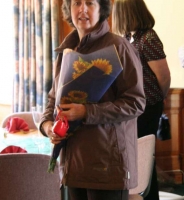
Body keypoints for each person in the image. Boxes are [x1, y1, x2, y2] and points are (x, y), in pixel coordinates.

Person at [39, 0, 146, 200]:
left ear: (102, 9)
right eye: (76, 3)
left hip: (107, 165)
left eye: (90, 3)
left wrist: (87, 112)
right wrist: (48, 126)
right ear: (68, 9)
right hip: (72, 165)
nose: (82, 9)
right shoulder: (66, 51)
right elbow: (53, 99)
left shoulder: (119, 46)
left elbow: (136, 103)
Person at [112, 0, 171, 200]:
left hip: (147, 108)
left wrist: (159, 99)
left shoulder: (148, 38)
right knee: (136, 160)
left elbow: (163, 78)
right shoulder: (129, 37)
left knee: (144, 159)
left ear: (126, 13)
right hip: (132, 109)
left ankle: (149, 197)